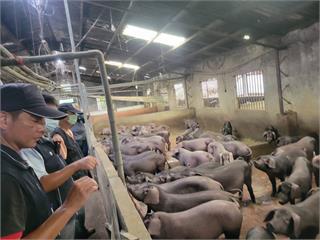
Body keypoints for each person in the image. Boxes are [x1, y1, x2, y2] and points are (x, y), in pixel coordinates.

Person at [0, 83, 98, 239]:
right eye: (36, 120)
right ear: (4, 120)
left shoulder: (16, 160)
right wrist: (68, 207)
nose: (43, 128)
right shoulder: (5, 176)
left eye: (43, 121)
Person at [51, 103, 88, 180]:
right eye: (72, 114)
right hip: (74, 179)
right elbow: (62, 165)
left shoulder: (69, 131)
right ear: (63, 116)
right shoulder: (58, 137)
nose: (75, 116)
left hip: (81, 175)